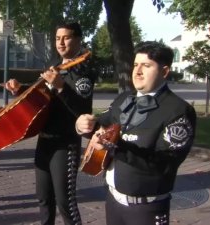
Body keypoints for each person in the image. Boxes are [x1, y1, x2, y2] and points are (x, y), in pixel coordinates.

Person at [75, 41, 197, 225]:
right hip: (113, 200)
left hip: (146, 208)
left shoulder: (178, 111)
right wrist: (83, 125)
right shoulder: (124, 98)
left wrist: (116, 147)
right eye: (135, 64)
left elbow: (164, 164)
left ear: (164, 72)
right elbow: (102, 124)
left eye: (146, 66)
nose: (137, 71)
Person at [4, 22, 96, 225]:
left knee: (66, 202)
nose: (61, 42)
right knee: (44, 198)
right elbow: (42, 95)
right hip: (44, 141)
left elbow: (82, 110)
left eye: (66, 37)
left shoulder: (82, 72)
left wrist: (62, 87)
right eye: (57, 38)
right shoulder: (54, 66)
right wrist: (20, 89)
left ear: (78, 40)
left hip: (66, 144)